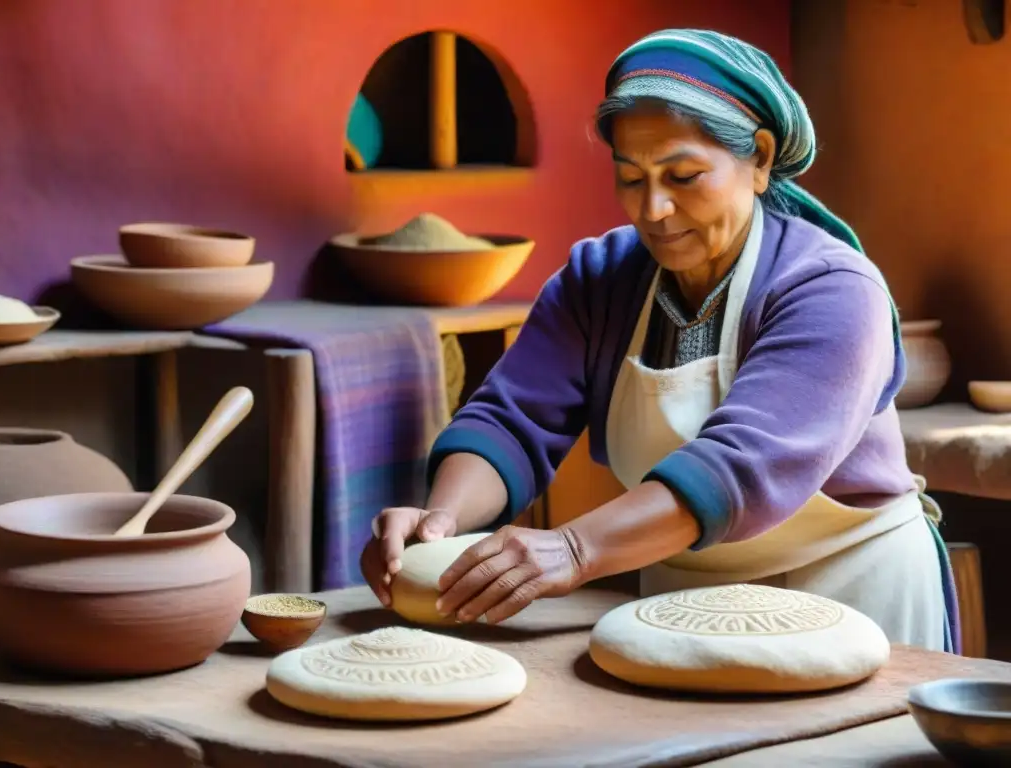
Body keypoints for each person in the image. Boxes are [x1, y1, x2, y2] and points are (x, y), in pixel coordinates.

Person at [359, 29, 959, 653]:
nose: (654, 209)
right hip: (681, 603)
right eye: (630, 177)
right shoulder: (601, 279)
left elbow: (737, 468)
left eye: (684, 176)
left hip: (849, 594)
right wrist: (443, 520)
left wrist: (574, 548)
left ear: (758, 158)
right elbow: (511, 420)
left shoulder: (830, 290)